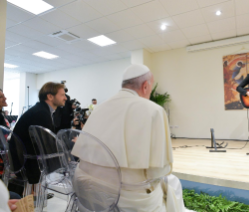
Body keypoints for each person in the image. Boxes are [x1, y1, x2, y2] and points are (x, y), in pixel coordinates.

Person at [72, 64, 191, 212]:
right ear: (146, 86)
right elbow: (159, 171)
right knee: (173, 183)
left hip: (83, 187)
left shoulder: (99, 108)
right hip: (124, 197)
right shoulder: (154, 110)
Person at [13, 82, 67, 184]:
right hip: (27, 164)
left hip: (22, 160)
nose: (65, 98)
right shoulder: (41, 113)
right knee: (73, 155)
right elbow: (47, 146)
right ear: (50, 96)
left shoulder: (41, 110)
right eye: (62, 95)